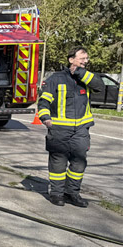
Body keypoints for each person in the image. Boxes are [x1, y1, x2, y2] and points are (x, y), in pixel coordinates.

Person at [36, 47, 104, 207]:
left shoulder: (86, 78)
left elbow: (99, 86)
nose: (85, 61)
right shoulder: (56, 78)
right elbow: (44, 101)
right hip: (59, 130)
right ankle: (57, 194)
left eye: (87, 58)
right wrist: (45, 118)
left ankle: (72, 193)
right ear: (71, 59)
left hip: (81, 130)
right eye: (82, 58)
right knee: (58, 163)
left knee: (79, 163)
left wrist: (80, 72)